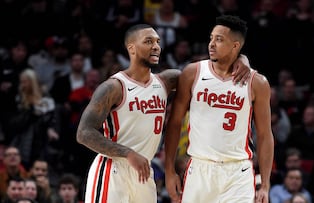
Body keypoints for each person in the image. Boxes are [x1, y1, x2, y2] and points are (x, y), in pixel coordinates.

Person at [76, 23, 252, 203]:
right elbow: (84, 133)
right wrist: (128, 153)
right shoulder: (113, 87)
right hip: (112, 169)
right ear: (132, 48)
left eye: (158, 42)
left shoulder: (167, 81)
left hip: (144, 172)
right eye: (148, 41)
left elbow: (204, 73)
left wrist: (241, 58)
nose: (156, 47)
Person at [164, 15, 274, 203]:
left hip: (237, 172)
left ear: (236, 46)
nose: (211, 44)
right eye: (211, 38)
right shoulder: (192, 73)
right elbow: (174, 123)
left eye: (219, 39)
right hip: (199, 167)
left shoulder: (257, 83)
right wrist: (169, 171)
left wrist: (265, 184)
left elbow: (265, 135)